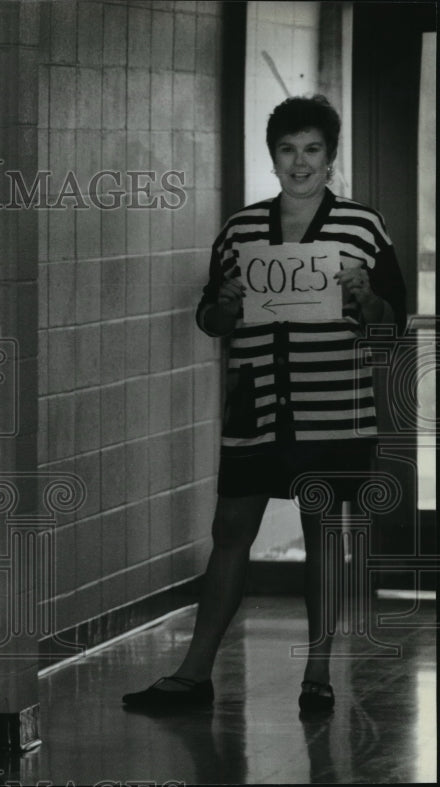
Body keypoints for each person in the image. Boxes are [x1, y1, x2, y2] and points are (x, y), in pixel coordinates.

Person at [121, 95, 407, 713]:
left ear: (330, 158)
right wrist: (223, 302)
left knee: (322, 533)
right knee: (230, 529)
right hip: (255, 406)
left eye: (312, 150)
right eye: (287, 150)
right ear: (273, 158)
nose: (300, 162)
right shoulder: (242, 229)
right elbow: (212, 319)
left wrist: (366, 299)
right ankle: (194, 673)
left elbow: (391, 327)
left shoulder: (363, 227)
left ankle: (319, 672)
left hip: (333, 408)